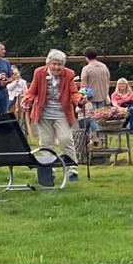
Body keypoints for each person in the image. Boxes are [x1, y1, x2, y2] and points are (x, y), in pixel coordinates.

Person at [20, 50, 84, 182]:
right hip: (43, 114)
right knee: (46, 143)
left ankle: (72, 170)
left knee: (65, 139)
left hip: (62, 113)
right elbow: (32, 91)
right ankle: (49, 171)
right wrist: (26, 100)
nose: (56, 67)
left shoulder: (69, 74)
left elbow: (73, 92)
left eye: (59, 64)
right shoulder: (39, 72)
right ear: (48, 64)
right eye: (54, 64)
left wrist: (79, 100)